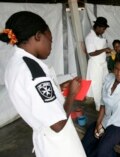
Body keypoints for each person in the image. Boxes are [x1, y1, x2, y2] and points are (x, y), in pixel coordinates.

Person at [0, 11, 86, 157]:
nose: (51, 47)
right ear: (38, 36)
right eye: (50, 40)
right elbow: (57, 124)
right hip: (60, 145)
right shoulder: (34, 72)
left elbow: (34, 97)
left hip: (45, 141)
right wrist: (72, 93)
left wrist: (56, 88)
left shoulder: (15, 64)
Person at [82, 52, 120, 157]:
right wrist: (98, 124)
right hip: (105, 120)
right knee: (85, 144)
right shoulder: (109, 78)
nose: (119, 73)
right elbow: (102, 104)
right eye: (117, 69)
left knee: (102, 151)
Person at [85, 16, 111, 111]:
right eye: (103, 29)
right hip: (95, 66)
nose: (104, 31)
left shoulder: (99, 37)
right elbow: (91, 52)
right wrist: (104, 49)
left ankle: (105, 103)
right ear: (98, 27)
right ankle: (98, 106)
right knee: (97, 85)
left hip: (102, 64)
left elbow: (100, 51)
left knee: (105, 83)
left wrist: (107, 52)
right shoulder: (89, 37)